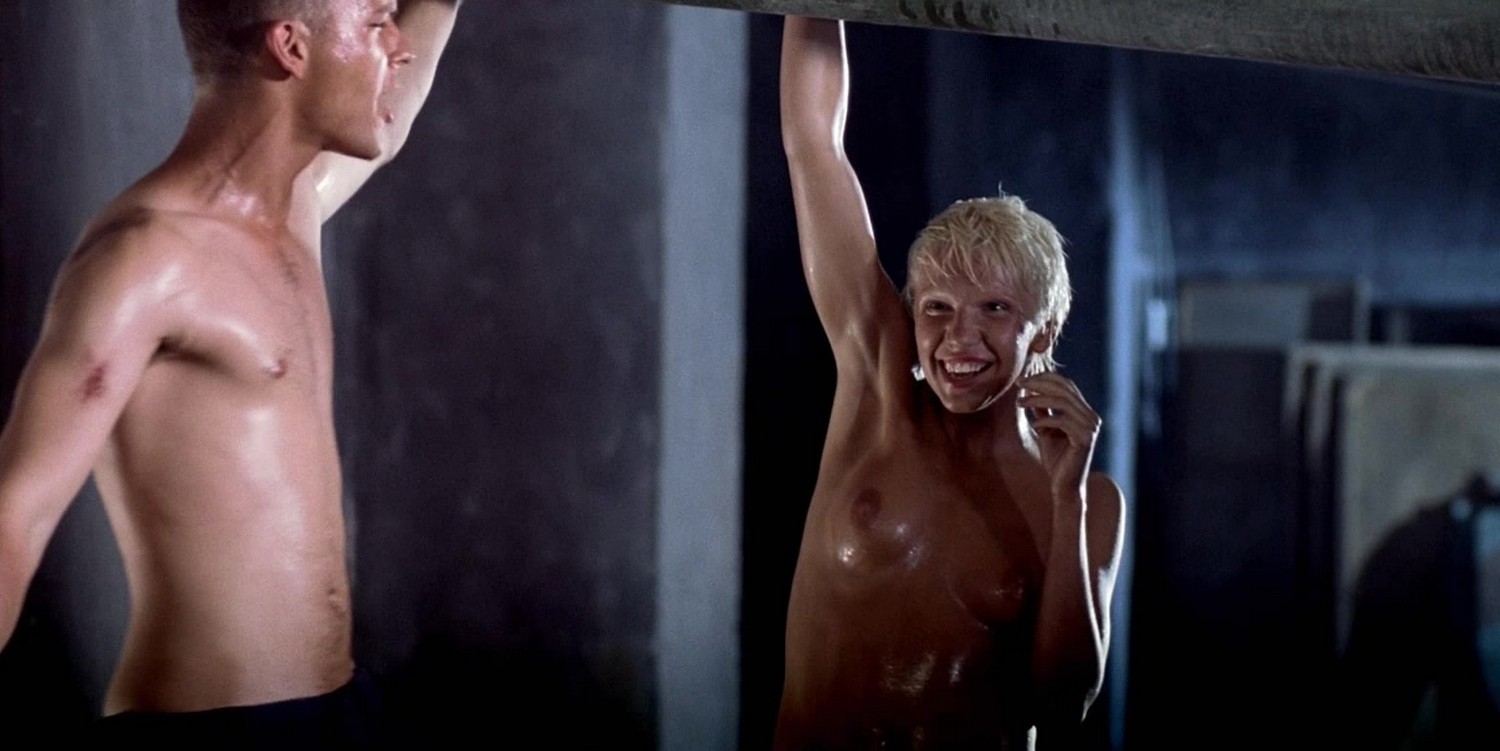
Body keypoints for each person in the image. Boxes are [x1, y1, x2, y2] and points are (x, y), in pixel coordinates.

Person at [0, 0, 461, 742]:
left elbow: (397, 104)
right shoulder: (146, 256)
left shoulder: (294, 212)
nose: (399, 47)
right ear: (291, 47)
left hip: (342, 706)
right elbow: (14, 518)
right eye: (378, 21)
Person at [775, 16, 1126, 750]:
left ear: (1044, 332)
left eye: (994, 310)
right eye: (937, 308)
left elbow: (1064, 705)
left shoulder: (1086, 495)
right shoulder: (877, 393)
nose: (959, 339)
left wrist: (1065, 501)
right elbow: (814, 141)